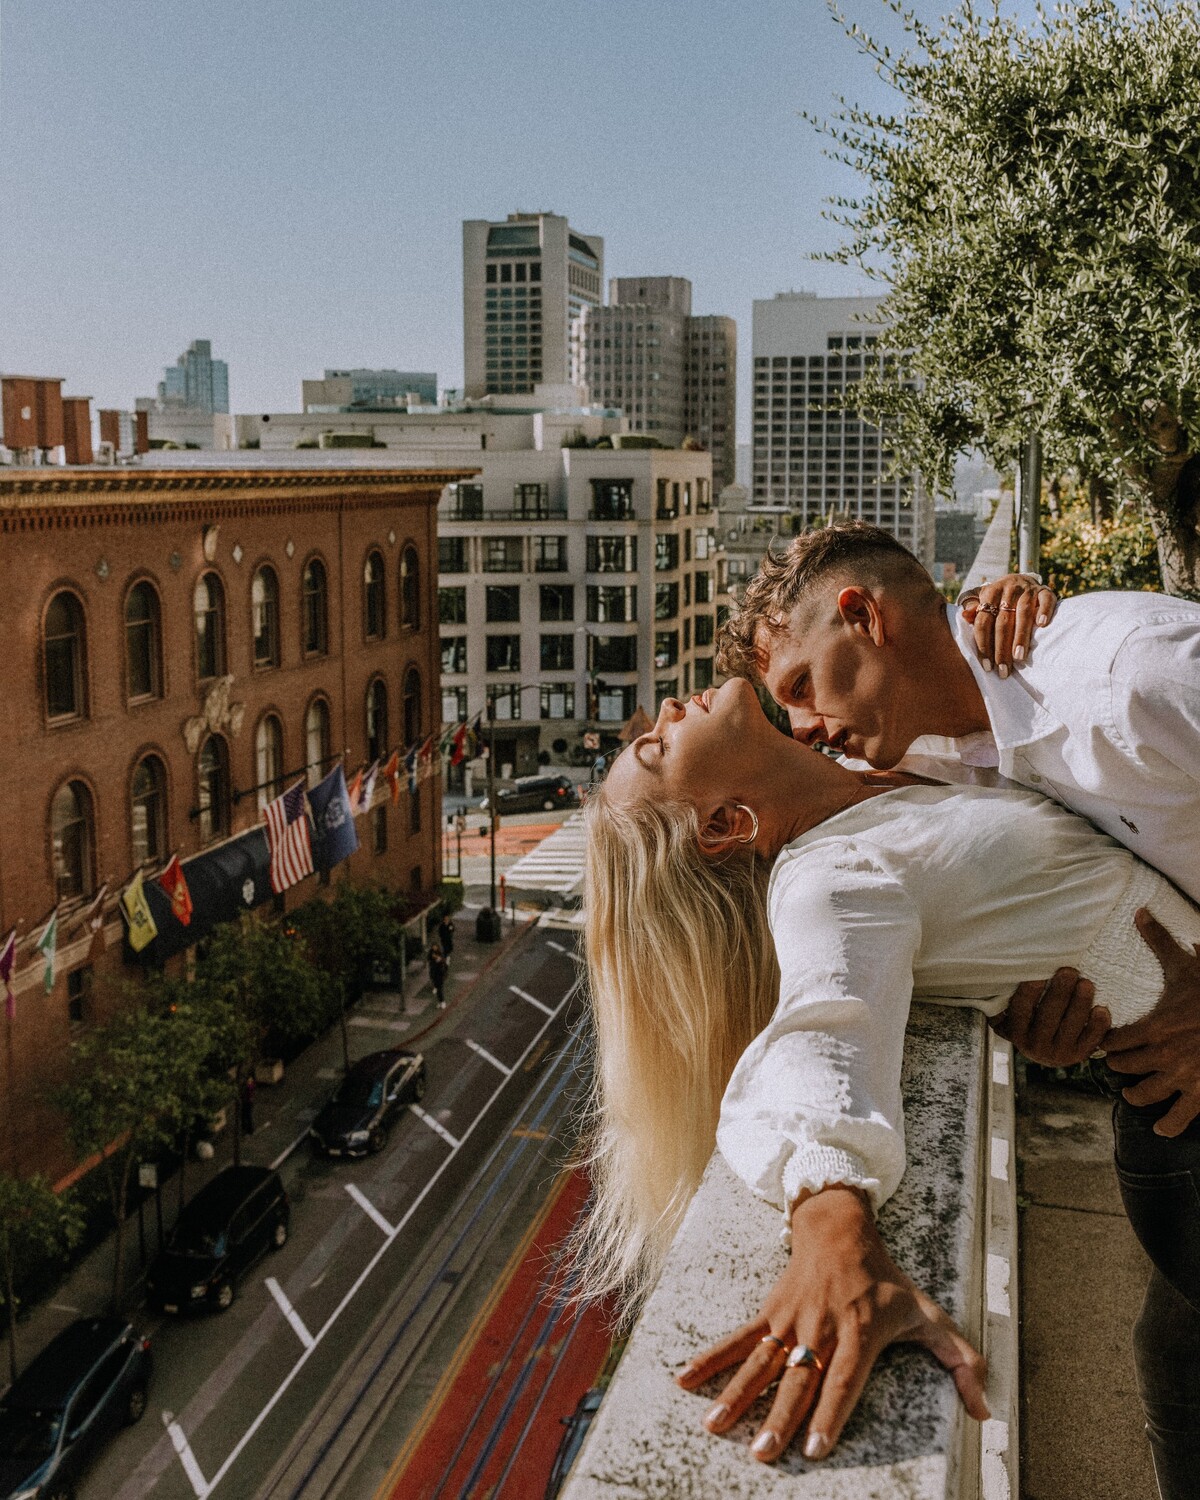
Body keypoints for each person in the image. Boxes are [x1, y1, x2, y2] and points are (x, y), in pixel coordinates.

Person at [580, 680, 1200, 1486]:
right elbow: (822, 1034)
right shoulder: (832, 878)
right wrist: (833, 1225)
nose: (665, 710)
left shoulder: (871, 777)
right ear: (727, 824)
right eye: (659, 748)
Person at [428, 943, 448, 1010]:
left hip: (439, 975)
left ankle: (442, 1002)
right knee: (437, 988)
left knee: (439, 989)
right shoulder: (431, 954)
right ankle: (440, 1002)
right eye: (433, 947)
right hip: (434, 974)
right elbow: (429, 959)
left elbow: (443, 963)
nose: (434, 948)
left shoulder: (440, 955)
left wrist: (437, 958)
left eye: (435, 947)